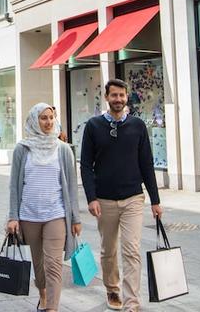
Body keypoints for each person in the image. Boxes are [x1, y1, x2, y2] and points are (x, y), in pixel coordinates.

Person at [80, 79, 162, 312]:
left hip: (133, 198)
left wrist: (155, 201)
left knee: (131, 250)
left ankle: (132, 302)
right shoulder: (93, 126)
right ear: (106, 98)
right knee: (108, 250)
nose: (118, 99)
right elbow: (86, 165)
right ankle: (112, 288)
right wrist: (91, 197)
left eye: (122, 95)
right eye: (114, 95)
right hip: (104, 200)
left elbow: (146, 164)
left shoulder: (137, 126)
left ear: (127, 98)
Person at [7, 103, 81, 312]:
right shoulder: (22, 149)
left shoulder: (63, 150)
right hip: (29, 215)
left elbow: (72, 187)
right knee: (39, 265)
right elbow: (14, 185)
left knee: (53, 265)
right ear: (33, 121)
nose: (48, 122)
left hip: (56, 214)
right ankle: (43, 294)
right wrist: (13, 216)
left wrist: (75, 218)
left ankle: (52, 308)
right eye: (43, 118)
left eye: (51, 118)